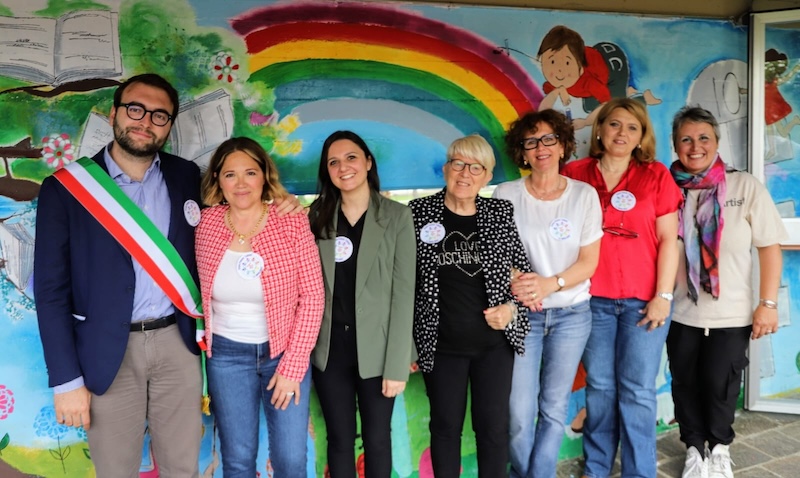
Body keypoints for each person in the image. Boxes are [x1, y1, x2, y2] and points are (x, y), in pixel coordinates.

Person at [33, 73, 205, 476]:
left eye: (159, 115)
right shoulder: (66, 189)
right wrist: (66, 381)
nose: (145, 122)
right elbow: (51, 291)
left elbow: (236, 218)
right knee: (115, 470)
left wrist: (281, 205)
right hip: (106, 351)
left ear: (169, 126)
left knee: (183, 468)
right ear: (114, 114)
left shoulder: (187, 177)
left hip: (178, 344)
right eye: (135, 109)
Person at [561, 98, 683, 478]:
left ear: (642, 136)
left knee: (638, 389)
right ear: (599, 129)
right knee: (600, 387)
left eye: (632, 127)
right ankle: (597, 468)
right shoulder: (575, 174)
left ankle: (639, 472)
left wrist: (663, 296)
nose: (622, 133)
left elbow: (670, 241)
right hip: (590, 300)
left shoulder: (656, 175)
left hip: (644, 302)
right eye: (614, 124)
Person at [666, 106, 787, 478]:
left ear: (716, 142)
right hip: (679, 312)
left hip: (731, 313)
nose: (695, 146)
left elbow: (769, 247)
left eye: (703, 138)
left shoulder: (744, 186)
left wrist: (767, 304)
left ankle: (719, 449)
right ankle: (694, 450)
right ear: (675, 145)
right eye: (686, 139)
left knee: (721, 384)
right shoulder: (666, 187)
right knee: (685, 383)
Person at [194, 137, 324, 477]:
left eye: (250, 173)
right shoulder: (206, 224)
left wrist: (292, 366)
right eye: (230, 174)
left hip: (283, 353)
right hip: (226, 357)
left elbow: (312, 297)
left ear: (265, 175)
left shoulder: (291, 221)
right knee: (237, 459)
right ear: (218, 180)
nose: (241, 183)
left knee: (290, 459)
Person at [409, 134, 531, 478]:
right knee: (445, 428)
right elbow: (401, 280)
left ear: (487, 176)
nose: (465, 173)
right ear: (446, 168)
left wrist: (510, 308)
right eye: (458, 164)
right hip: (441, 346)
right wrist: (405, 345)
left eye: (476, 167)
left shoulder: (499, 213)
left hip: (493, 347)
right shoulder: (418, 213)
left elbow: (523, 272)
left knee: (493, 429)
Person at [496, 109, 602, 478]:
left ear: (562, 146)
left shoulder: (584, 195)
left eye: (548, 139)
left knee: (554, 408)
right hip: (522, 314)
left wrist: (549, 283)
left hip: (572, 314)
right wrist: (521, 283)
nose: (540, 147)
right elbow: (497, 256)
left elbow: (589, 262)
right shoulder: (506, 194)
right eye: (531, 141)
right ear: (522, 152)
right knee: (518, 411)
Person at [308, 131, 416, 477]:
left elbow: (404, 294)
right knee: (339, 439)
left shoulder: (397, 217)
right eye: (334, 162)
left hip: (379, 350)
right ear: (327, 172)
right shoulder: (316, 217)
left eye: (351, 157)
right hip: (330, 349)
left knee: (377, 439)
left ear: (368, 162)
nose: (344, 167)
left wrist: (397, 365)